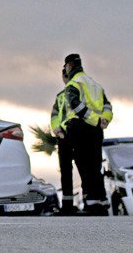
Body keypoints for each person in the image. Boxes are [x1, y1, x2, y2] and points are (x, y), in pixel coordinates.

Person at [63, 53, 112, 216]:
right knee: (95, 165)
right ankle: (102, 202)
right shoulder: (95, 84)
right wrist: (103, 119)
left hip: (80, 128)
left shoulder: (73, 84)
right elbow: (107, 105)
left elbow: (75, 105)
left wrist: (93, 120)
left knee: (84, 166)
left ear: (69, 66)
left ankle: (92, 204)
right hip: (96, 130)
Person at [50, 68, 76, 214]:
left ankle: (76, 202)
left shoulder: (72, 92)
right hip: (64, 136)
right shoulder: (60, 96)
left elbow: (54, 115)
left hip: (73, 134)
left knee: (75, 169)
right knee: (66, 171)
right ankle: (68, 204)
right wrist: (58, 131)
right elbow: (54, 116)